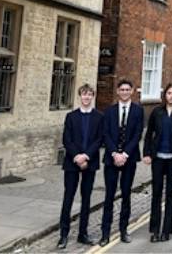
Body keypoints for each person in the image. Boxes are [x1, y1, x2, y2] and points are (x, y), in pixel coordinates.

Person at [57, 83, 104, 249]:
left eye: (89, 94)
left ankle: (83, 234)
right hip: (72, 162)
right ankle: (63, 235)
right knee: (68, 198)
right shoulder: (71, 116)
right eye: (84, 94)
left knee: (86, 199)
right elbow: (66, 139)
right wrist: (77, 156)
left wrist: (86, 157)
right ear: (79, 96)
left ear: (93, 96)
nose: (86, 97)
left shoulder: (99, 117)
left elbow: (99, 139)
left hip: (90, 163)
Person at [142, 83, 172, 242]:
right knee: (156, 193)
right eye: (169, 93)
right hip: (158, 158)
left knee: (170, 194)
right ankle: (155, 230)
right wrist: (146, 153)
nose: (171, 96)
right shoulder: (157, 112)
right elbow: (149, 133)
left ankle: (166, 230)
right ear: (165, 95)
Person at [100, 79, 144, 246]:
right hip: (111, 159)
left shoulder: (138, 111)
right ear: (118, 91)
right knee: (109, 197)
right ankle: (105, 233)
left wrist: (125, 154)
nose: (124, 92)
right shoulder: (109, 111)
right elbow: (105, 134)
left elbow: (137, 134)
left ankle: (124, 230)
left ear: (132, 91)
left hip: (129, 158)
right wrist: (114, 154)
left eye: (127, 89)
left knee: (126, 196)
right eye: (122, 90)